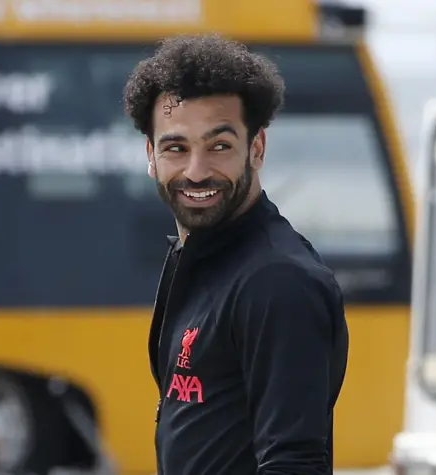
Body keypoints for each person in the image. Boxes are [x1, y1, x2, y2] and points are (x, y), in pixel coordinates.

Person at [123, 34, 349, 475]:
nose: (196, 170)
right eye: (176, 148)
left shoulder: (277, 282)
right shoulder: (198, 260)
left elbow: (294, 462)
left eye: (219, 146)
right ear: (151, 155)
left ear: (257, 149)